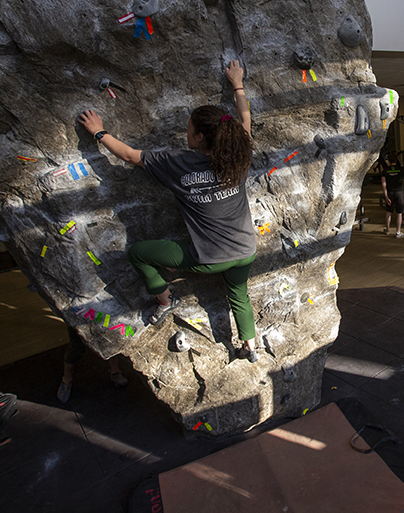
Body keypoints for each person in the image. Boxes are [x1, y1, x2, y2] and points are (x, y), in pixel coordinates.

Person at [77, 60, 260, 362]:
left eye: (189, 129)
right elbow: (245, 117)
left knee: (138, 253)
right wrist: (237, 84)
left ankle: (165, 300)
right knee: (239, 295)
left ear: (200, 137)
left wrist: (99, 132)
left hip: (207, 259)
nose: (185, 133)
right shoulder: (239, 155)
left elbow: (129, 155)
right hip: (246, 249)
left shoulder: (178, 164)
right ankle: (250, 346)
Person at [57, 326, 128, 403]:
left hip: (102, 315)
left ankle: (115, 371)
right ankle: (67, 378)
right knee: (76, 346)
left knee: (110, 340)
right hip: (79, 315)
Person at [381, 151, 404, 238]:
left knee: (389, 211)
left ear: (389, 161)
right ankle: (398, 232)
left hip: (390, 192)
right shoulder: (402, 169)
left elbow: (383, 184)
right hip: (399, 193)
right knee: (399, 213)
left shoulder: (385, 170)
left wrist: (386, 196)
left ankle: (387, 229)